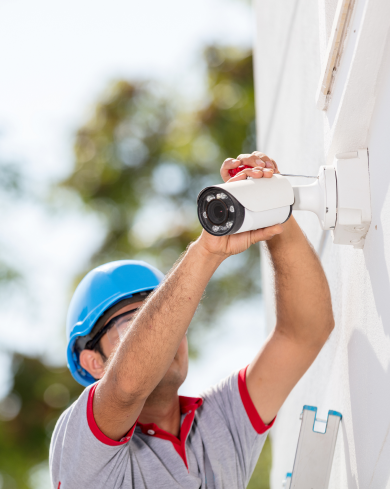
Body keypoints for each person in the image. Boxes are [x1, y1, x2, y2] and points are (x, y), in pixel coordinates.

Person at [50, 152, 334, 489]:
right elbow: (126, 388)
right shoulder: (83, 447)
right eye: (133, 326)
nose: (165, 338)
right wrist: (207, 249)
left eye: (169, 321)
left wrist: (272, 209)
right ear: (93, 362)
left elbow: (304, 334)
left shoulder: (218, 424)